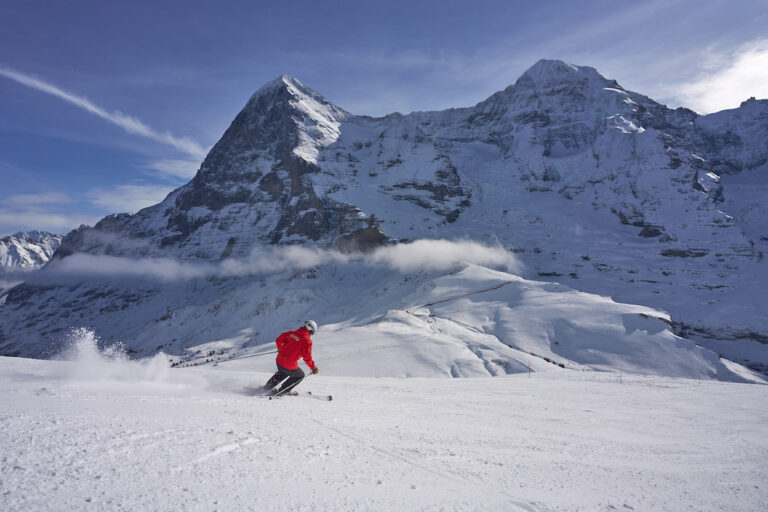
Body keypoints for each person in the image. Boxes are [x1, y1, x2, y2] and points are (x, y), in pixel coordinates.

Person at [263, 320, 319, 396]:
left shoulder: (292, 333)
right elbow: (307, 358)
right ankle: (283, 390)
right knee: (300, 375)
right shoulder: (307, 341)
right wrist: (314, 368)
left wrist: (281, 349)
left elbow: (278, 340)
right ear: (311, 330)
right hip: (288, 364)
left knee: (283, 372)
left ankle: (267, 387)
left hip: (279, 360)